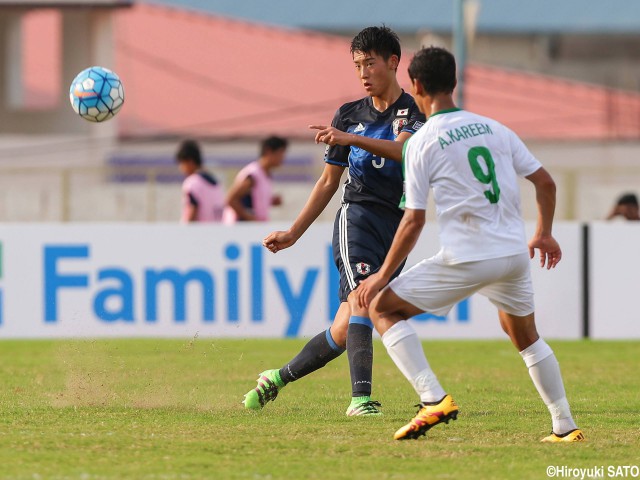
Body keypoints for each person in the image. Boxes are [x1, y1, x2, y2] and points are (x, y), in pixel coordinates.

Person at [356, 46, 585, 442]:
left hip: (469, 255)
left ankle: (433, 400)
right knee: (525, 335)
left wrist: (379, 275)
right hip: (513, 255)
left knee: (381, 306)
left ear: (417, 85)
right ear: (454, 82)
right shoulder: (495, 128)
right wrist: (544, 231)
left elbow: (413, 220)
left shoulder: (422, 141)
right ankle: (565, 427)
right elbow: (545, 182)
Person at [242, 26, 426, 416]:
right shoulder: (348, 115)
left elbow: (405, 152)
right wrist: (294, 232)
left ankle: (276, 378)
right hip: (356, 218)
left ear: (393, 63)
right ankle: (361, 400)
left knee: (344, 329)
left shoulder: (412, 112)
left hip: (396, 227)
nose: (363, 73)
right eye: (357, 65)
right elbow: (329, 182)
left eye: (370, 63)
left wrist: (350, 140)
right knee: (365, 298)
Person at [223, 136, 288, 222]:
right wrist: (249, 218)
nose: (282, 158)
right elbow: (231, 199)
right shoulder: (252, 175)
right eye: (280, 153)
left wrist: (271, 201)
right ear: (269, 151)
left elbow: (254, 200)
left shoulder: (265, 175)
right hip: (241, 228)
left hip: (254, 228)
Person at [176, 139, 225, 223]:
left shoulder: (192, 183)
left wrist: (184, 232)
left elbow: (192, 211)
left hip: (199, 233)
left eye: (182, 163)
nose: (181, 168)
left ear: (190, 162)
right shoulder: (216, 183)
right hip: (218, 230)